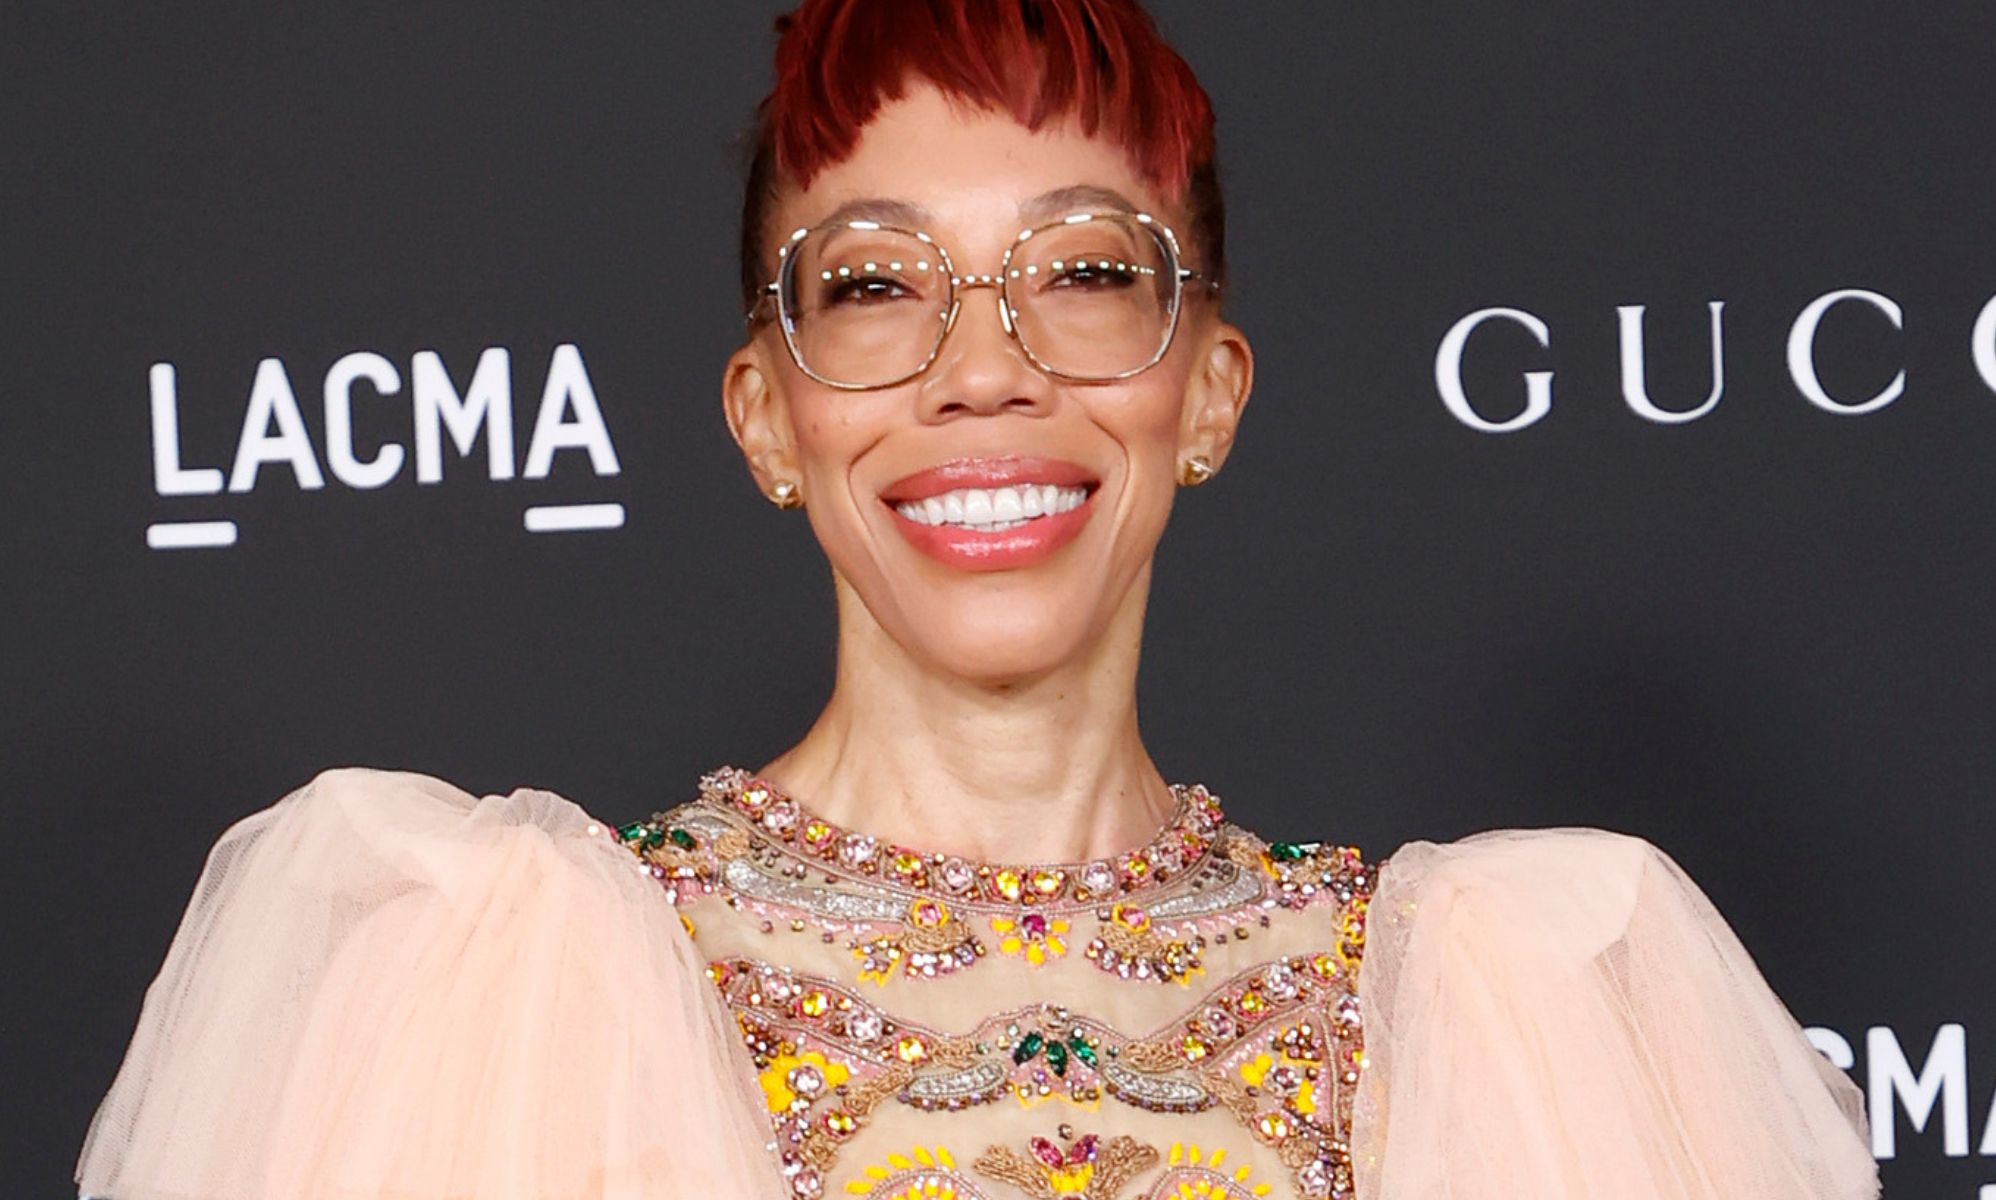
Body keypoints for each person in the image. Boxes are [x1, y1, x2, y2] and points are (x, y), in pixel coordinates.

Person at [74, 2, 1881, 1198]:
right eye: (874, 290)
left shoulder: (1514, 1003)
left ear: (1214, 388)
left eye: (1084, 271)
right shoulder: (501, 989)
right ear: (770, 415)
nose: (983, 370)